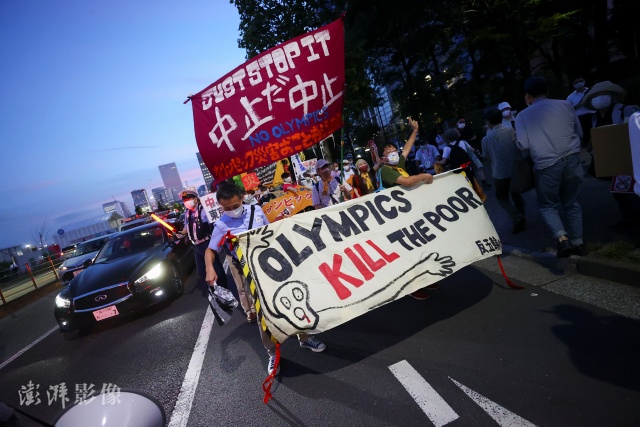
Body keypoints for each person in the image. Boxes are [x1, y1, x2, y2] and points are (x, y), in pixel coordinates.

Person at [204, 182, 326, 375]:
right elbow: (211, 250)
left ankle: (305, 337)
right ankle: (272, 353)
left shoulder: (256, 211)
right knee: (264, 313)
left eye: (235, 205)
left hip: (275, 266)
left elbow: (270, 232)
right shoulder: (221, 225)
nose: (232, 210)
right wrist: (210, 268)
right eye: (226, 208)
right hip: (250, 272)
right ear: (220, 206)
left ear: (242, 198)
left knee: (294, 300)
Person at [515, 76, 585, 257]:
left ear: (528, 96)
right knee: (572, 202)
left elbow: (523, 145)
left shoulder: (522, 115)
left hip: (546, 164)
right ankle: (579, 243)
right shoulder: (565, 105)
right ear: (546, 91)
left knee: (547, 205)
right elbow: (579, 132)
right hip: (572, 158)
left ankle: (563, 239)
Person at [378, 118, 437, 301]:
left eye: (393, 150)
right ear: (382, 158)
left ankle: (424, 279)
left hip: (406, 214)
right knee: (407, 252)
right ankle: (412, 286)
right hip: (395, 218)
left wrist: (414, 130)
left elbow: (407, 148)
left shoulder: (398, 165)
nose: (393, 153)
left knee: (417, 246)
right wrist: (422, 176)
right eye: (388, 152)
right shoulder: (385, 170)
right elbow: (406, 182)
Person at [581, 80, 640, 228]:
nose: (600, 97)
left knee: (632, 190)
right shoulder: (595, 117)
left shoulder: (626, 110)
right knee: (619, 191)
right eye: (596, 95)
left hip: (628, 157)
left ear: (611, 96)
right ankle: (628, 218)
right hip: (611, 159)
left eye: (604, 94)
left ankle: (634, 218)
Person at [482, 108, 527, 233]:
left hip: (499, 173)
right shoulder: (511, 130)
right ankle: (522, 218)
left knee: (502, 197)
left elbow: (486, 157)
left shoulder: (486, 139)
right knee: (516, 194)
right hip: (516, 169)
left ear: (488, 122)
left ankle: (516, 216)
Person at [178, 189, 228, 289]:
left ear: (195, 199)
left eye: (188, 199)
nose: (186, 202)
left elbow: (215, 222)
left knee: (216, 268)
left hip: (207, 243)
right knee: (201, 271)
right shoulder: (187, 213)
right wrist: (181, 233)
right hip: (196, 246)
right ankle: (214, 287)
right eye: (184, 200)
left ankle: (224, 288)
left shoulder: (204, 210)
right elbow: (186, 228)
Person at [566, 77, 595, 145]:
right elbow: (568, 109)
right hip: (580, 118)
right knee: (585, 135)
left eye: (580, 81)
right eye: (576, 82)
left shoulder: (591, 91)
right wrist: (579, 105)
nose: (579, 83)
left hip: (592, 115)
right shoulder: (570, 97)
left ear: (584, 81)